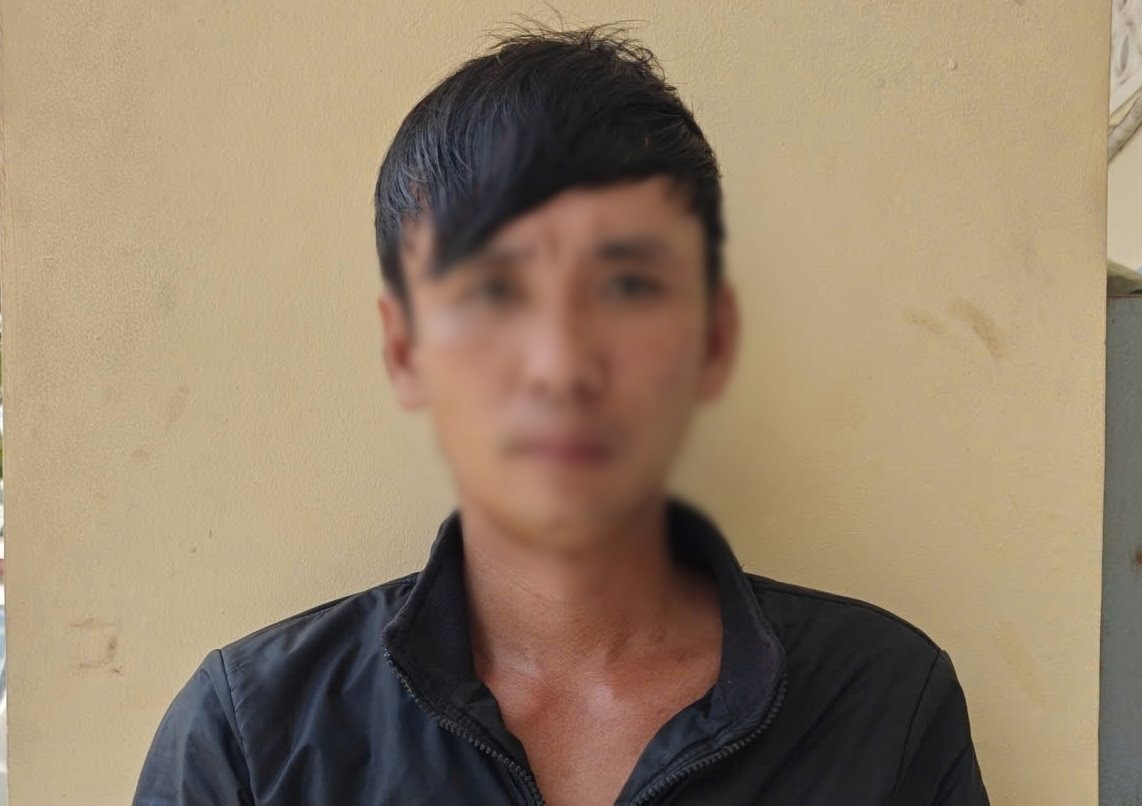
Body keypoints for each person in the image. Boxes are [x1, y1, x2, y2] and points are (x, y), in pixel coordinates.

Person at [134, 25, 988, 805]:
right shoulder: (251, 741)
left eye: (626, 285)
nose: (560, 365)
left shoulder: (883, 710)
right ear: (406, 350)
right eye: (491, 291)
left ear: (710, 337)